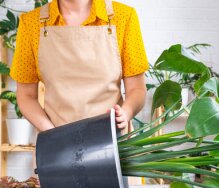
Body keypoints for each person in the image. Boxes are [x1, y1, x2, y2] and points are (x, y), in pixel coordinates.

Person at [10, 0, 148, 131]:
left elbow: (136, 89)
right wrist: (52, 133)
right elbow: (26, 96)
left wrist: (125, 113)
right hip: (58, 144)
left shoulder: (124, 17)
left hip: (112, 141)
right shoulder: (31, 23)